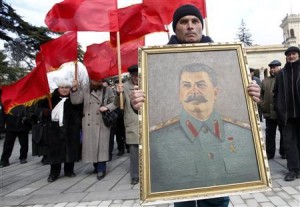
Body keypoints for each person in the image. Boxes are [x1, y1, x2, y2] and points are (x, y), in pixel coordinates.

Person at [129, 4, 262, 207]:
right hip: (181, 181)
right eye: (184, 22)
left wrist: (252, 95)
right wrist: (136, 103)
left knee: (218, 200)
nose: (190, 26)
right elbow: (148, 103)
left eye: (195, 21)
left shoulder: (225, 56)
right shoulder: (156, 62)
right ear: (176, 28)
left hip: (220, 180)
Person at [150, 63, 259, 191]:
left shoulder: (244, 134)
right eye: (186, 85)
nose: (194, 91)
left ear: (216, 92)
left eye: (201, 84)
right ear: (179, 94)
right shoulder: (157, 139)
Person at [35, 79, 82, 182]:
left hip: (71, 129)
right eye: (62, 88)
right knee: (55, 152)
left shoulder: (74, 99)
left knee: (71, 150)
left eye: (67, 88)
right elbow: (37, 110)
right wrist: (45, 112)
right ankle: (54, 173)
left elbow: (80, 109)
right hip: (54, 130)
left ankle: (69, 170)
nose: (64, 90)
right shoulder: (50, 99)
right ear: (58, 88)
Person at [70, 78, 117, 180]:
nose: (98, 81)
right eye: (96, 79)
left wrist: (107, 107)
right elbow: (75, 101)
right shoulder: (85, 89)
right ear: (91, 79)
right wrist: (74, 89)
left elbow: (115, 102)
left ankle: (101, 169)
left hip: (102, 121)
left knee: (102, 147)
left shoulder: (107, 90)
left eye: (100, 79)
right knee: (91, 147)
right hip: (88, 122)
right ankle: (96, 166)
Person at [273, 46, 300, 181]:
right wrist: (279, 108)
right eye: (289, 54)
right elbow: (275, 93)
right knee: (289, 144)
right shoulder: (281, 73)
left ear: (298, 55)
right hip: (287, 116)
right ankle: (293, 170)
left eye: (294, 54)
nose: (291, 56)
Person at [115, 65, 140, 185]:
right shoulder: (124, 87)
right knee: (134, 151)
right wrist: (118, 93)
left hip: (148, 122)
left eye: (138, 75)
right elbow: (118, 104)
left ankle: (150, 174)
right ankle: (135, 175)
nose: (136, 77)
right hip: (133, 123)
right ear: (131, 76)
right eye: (134, 75)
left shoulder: (147, 83)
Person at [259, 60, 285, 160]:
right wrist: (261, 104)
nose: (272, 69)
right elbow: (260, 94)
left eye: (274, 67)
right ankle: (270, 154)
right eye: (271, 67)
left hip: (281, 113)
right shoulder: (265, 81)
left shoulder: (284, 78)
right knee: (269, 134)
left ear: (279, 67)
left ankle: (284, 152)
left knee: (284, 134)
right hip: (269, 113)